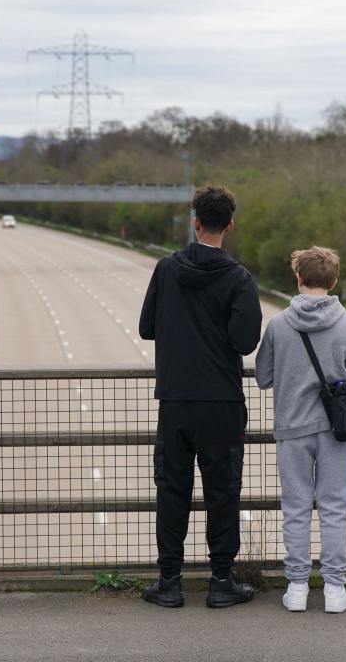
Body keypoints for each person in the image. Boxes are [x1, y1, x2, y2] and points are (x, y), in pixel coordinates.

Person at [138, 185, 263, 609]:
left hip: (174, 400)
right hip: (222, 403)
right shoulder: (239, 279)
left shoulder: (166, 269)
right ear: (229, 224)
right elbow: (246, 342)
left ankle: (169, 582)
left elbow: (147, 327)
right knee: (222, 493)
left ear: (195, 222)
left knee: (172, 490)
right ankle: (221, 582)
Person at [255, 247, 346, 614]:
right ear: (333, 280)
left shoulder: (278, 325)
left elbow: (263, 376)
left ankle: (297, 587)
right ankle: (335, 589)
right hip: (337, 431)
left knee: (296, 507)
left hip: (292, 428)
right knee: (335, 507)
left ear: (298, 278)